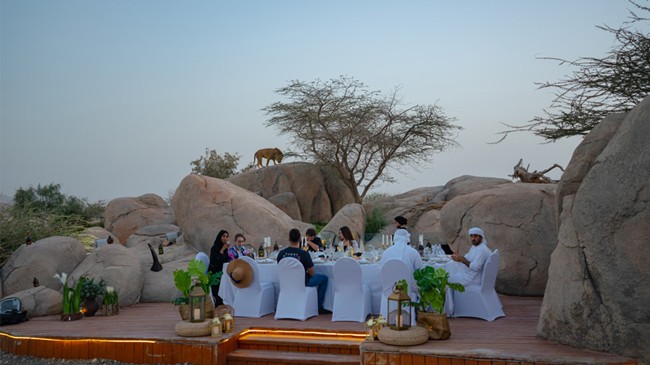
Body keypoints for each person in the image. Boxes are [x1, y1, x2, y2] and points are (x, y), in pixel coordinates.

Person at [277, 228, 329, 312]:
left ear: (289, 239)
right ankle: (318, 307)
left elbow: (281, 268)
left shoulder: (281, 253)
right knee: (324, 279)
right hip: (302, 282)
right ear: (300, 239)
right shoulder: (304, 254)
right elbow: (312, 273)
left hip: (286, 282)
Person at [208, 230, 230, 306]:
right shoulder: (214, 248)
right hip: (215, 273)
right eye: (223, 236)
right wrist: (222, 250)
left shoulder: (226, 248)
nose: (225, 238)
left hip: (222, 271)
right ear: (219, 237)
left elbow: (225, 259)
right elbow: (215, 261)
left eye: (227, 237)